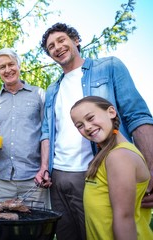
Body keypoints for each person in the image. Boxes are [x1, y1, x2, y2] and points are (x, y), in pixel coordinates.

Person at [39, 22, 153, 240]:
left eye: (61, 40)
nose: (57, 47)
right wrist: (45, 167)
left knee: (103, 232)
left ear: (76, 40)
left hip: (95, 172)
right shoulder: (52, 89)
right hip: (58, 177)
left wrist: (151, 169)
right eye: (51, 46)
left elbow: (138, 115)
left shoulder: (108, 67)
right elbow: (47, 131)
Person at [70, 96, 153, 239]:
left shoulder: (119, 156)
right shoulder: (106, 156)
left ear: (111, 112)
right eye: (80, 125)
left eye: (90, 118)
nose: (87, 127)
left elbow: (124, 218)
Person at [0, 48, 50, 208]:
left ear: (19, 65)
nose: (7, 70)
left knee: (35, 230)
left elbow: (46, 133)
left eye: (11, 64)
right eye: (2, 67)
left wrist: (45, 168)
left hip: (34, 179)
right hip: (0, 180)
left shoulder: (39, 94)